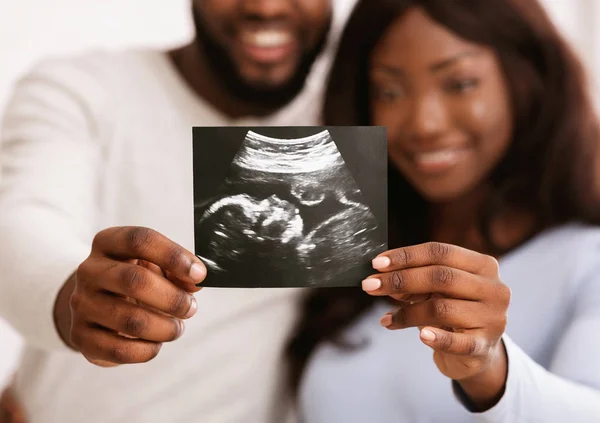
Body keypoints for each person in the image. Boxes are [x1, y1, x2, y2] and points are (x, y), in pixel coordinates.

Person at [0, 0, 356, 422]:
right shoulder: (81, 88)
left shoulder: (350, 111)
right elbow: (23, 222)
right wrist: (72, 297)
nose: (267, 6)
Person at [287, 0, 600, 421]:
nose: (423, 124)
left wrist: (490, 368)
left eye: (459, 84)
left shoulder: (586, 258)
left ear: (529, 79)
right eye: (389, 91)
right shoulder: (348, 251)